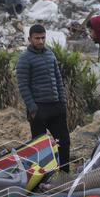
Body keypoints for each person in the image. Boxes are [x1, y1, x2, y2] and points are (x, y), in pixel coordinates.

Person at [16, 24, 71, 172]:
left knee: (64, 142)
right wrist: (33, 108)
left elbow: (58, 80)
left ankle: (64, 175)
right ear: (29, 39)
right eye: (37, 38)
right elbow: (23, 86)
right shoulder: (24, 59)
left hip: (56, 107)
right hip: (38, 109)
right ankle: (41, 179)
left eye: (43, 38)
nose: (40, 41)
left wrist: (62, 102)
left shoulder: (50, 55)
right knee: (40, 148)